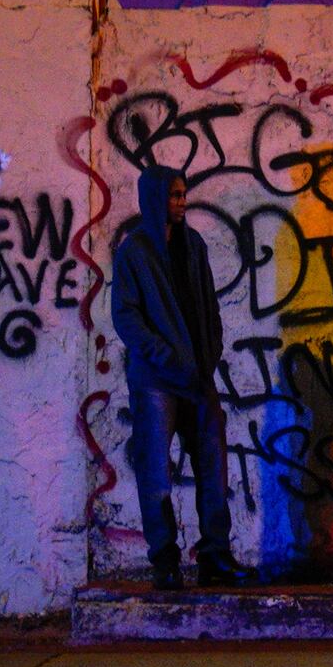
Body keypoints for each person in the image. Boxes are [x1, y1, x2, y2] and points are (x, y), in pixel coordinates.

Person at [106, 163, 249, 590]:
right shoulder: (135, 251)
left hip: (199, 376)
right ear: (155, 199)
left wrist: (210, 352)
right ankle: (165, 562)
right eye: (174, 196)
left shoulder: (195, 245)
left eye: (184, 195)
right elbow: (125, 317)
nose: (181, 203)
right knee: (155, 474)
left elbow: (209, 303)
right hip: (155, 380)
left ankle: (215, 558)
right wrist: (164, 356)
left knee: (213, 469)